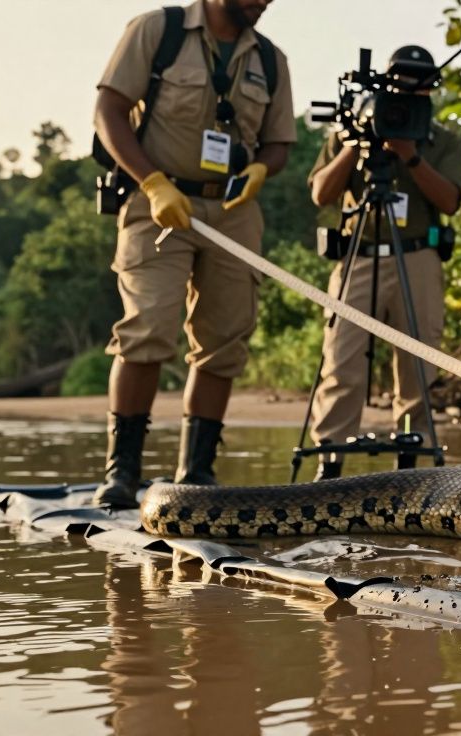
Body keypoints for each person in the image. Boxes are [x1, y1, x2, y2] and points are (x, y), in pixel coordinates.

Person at [91, 0, 294, 508]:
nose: (264, 2)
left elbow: (279, 143)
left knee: (225, 337)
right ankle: (122, 472)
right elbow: (108, 111)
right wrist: (153, 182)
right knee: (147, 327)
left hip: (232, 209)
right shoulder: (156, 31)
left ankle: (196, 473)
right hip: (158, 202)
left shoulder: (271, 59)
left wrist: (261, 170)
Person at [307, 46, 461, 480]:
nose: (409, 92)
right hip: (358, 255)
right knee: (341, 362)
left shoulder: (442, 139)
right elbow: (320, 194)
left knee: (418, 364)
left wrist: (410, 154)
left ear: (432, 89)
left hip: (417, 256)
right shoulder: (350, 131)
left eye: (420, 83)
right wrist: (357, 144)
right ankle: (330, 464)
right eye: (400, 82)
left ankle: (410, 468)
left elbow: (451, 201)